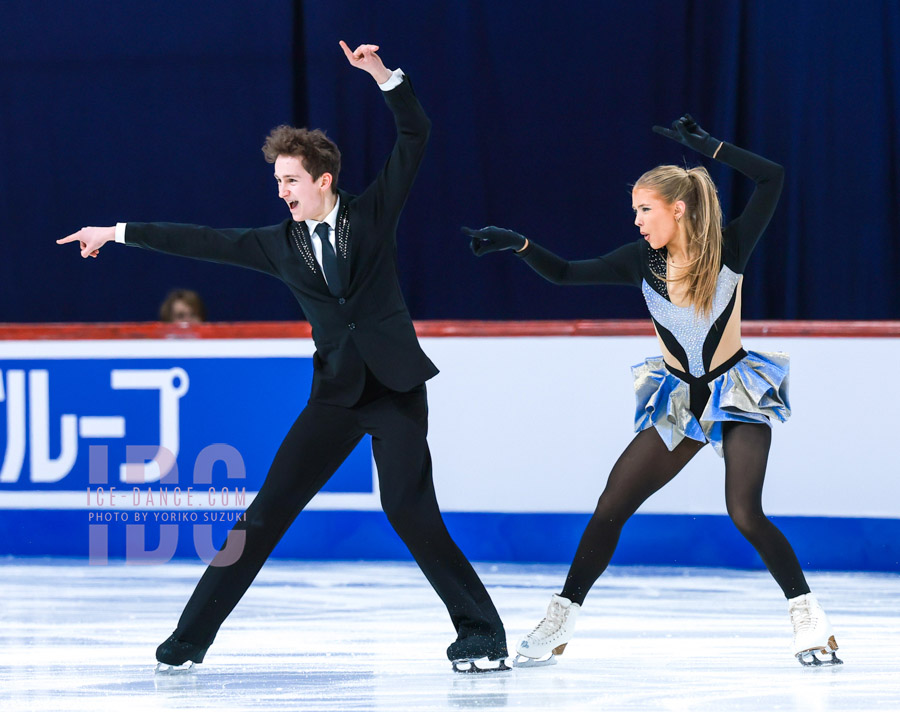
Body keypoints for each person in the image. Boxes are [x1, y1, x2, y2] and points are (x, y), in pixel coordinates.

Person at [58, 41, 508, 674]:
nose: (283, 193)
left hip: (396, 387)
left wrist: (380, 74)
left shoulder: (373, 212)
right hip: (335, 395)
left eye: (291, 181)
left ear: (323, 181)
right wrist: (118, 232)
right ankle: (187, 642)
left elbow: (416, 131)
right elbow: (203, 242)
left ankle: (482, 635)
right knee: (264, 513)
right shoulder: (278, 244)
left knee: (407, 507)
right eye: (277, 183)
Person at [462, 115, 841, 668]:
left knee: (744, 511)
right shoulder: (640, 261)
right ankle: (560, 618)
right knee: (611, 505)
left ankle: (808, 617)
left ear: (677, 209)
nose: (636, 221)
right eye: (635, 211)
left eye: (645, 210)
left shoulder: (730, 247)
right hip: (679, 399)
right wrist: (519, 244)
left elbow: (773, 178)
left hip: (735, 392)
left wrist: (713, 147)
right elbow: (567, 274)